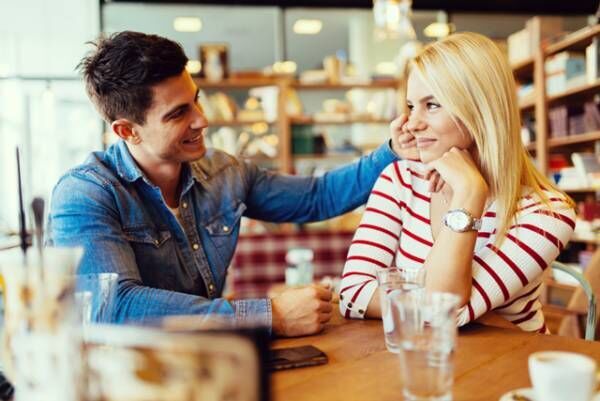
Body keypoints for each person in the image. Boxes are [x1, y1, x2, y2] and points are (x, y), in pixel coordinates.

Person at [47, 31, 413, 337]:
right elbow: (113, 307)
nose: (202, 121)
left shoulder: (225, 173)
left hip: (207, 367)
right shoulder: (85, 194)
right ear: (127, 131)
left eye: (196, 101)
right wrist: (268, 316)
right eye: (178, 114)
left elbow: (318, 197)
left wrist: (394, 149)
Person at [339, 32, 576, 333]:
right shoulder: (400, 180)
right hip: (421, 361)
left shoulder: (547, 214)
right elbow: (352, 295)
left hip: (508, 370)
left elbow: (444, 309)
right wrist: (438, 307)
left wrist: (468, 193)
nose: (412, 123)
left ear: (480, 110)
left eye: (432, 105)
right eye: (411, 106)